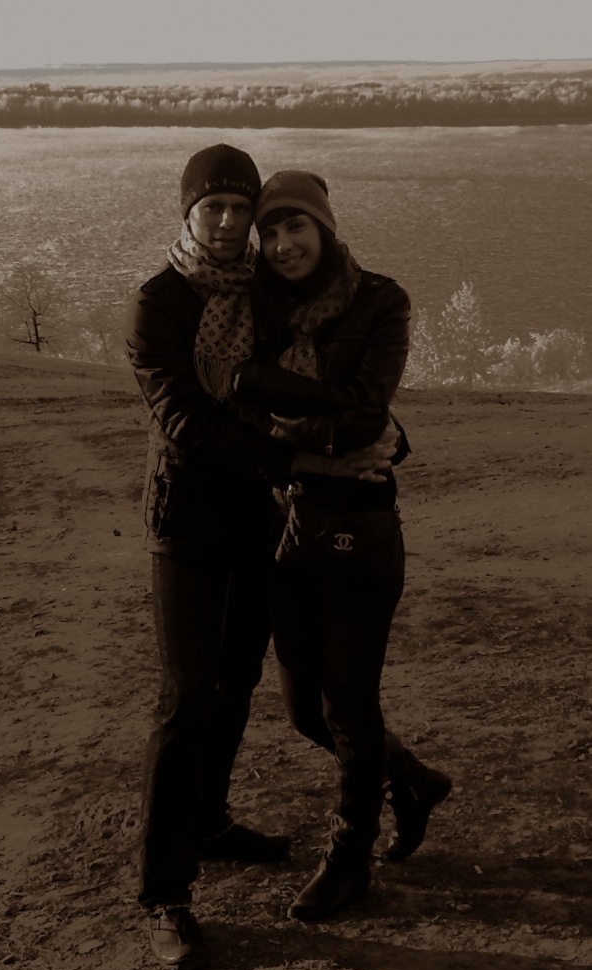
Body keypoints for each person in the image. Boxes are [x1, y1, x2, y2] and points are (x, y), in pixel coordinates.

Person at [125, 145, 397, 970]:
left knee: (237, 681)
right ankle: (164, 894)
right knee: (186, 696)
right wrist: (303, 461)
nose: (228, 222)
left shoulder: (263, 296)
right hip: (187, 523)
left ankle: (208, 820)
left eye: (240, 208)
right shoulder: (158, 303)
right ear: (186, 213)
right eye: (212, 207)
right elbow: (186, 421)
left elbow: (321, 383)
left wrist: (382, 435)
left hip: (259, 522)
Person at [230, 170, 451, 922]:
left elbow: (367, 416)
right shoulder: (255, 307)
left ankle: (349, 858)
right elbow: (244, 416)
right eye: (268, 232)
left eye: (295, 226)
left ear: (324, 227)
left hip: (361, 524)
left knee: (349, 707)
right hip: (287, 523)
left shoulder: (380, 300)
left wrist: (263, 395)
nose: (282, 244)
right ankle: (412, 779)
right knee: (304, 713)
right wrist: (313, 429)